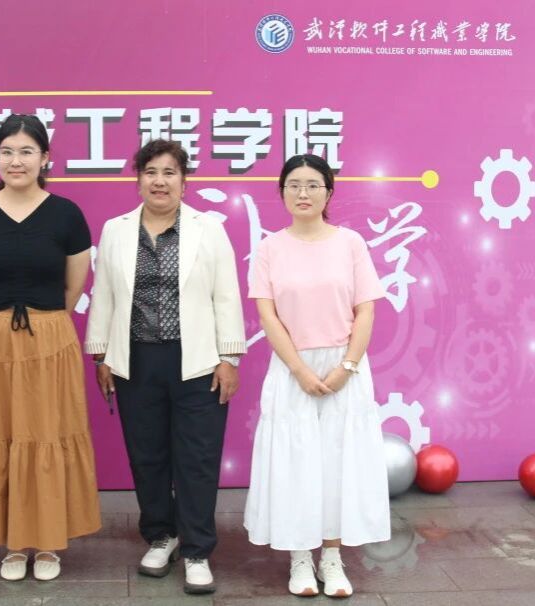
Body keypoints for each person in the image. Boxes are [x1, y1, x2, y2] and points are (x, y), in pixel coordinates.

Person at [85, 139, 246, 595]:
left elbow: (226, 295)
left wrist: (229, 358)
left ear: (184, 181)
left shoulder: (207, 229)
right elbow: (104, 294)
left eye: (169, 172)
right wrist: (101, 355)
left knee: (197, 458)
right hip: (135, 360)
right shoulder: (116, 230)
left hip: (198, 361)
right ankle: (161, 535)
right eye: (151, 172)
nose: (160, 181)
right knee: (148, 454)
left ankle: (197, 550)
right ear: (138, 180)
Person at [0, 113, 101, 582]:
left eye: (26, 152)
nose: (15, 161)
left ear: (45, 158)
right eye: (6, 152)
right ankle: (14, 544)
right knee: (1, 433)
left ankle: (49, 542)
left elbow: (73, 289)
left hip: (50, 339)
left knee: (47, 435)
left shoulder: (67, 215)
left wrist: (41, 324)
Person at [243, 154, 391, 598]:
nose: (303, 193)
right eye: (293, 185)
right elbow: (268, 316)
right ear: (282, 192)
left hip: (345, 367)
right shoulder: (270, 249)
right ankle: (300, 558)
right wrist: (300, 370)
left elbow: (366, 310)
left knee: (336, 464)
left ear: (329, 192)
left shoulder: (351, 243)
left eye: (312, 185)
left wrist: (347, 366)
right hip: (293, 369)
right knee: (296, 465)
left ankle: (331, 556)